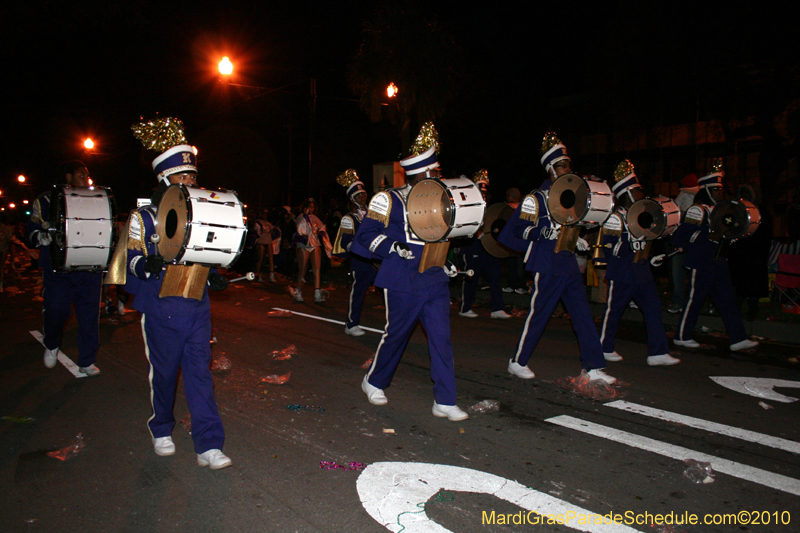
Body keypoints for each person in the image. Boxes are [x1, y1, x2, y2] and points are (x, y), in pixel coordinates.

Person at [125, 118, 232, 469]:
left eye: (191, 176)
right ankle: (161, 428)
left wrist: (215, 276)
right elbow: (133, 258)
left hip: (196, 303)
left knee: (200, 373)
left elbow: (207, 250)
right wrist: (147, 266)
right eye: (182, 177)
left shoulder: (201, 212)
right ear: (164, 179)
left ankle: (208, 444)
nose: (189, 182)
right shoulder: (145, 216)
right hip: (161, 304)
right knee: (166, 373)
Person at [351, 125, 468, 421]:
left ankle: (445, 399)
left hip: (433, 276)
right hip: (401, 277)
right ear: (424, 172)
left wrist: (446, 261)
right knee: (397, 335)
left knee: (441, 338)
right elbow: (364, 237)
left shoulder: (441, 200)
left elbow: (440, 237)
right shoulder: (387, 199)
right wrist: (392, 247)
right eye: (436, 170)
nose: (439, 175)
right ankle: (374, 381)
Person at [498, 132, 616, 383]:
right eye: (563, 165)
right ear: (551, 168)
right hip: (546, 263)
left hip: (567, 261)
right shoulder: (536, 198)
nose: (568, 169)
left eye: (568, 164)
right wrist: (542, 232)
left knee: (582, 315)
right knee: (539, 315)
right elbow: (516, 231)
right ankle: (518, 362)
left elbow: (570, 225)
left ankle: (593, 366)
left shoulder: (570, 195)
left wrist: (577, 239)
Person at [671, 158, 759, 352]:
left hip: (718, 262)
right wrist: (708, 236)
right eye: (716, 190)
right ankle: (682, 336)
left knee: (727, 300)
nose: (720, 193)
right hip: (700, 263)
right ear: (707, 191)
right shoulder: (697, 210)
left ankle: (738, 338)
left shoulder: (723, 211)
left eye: (720, 190)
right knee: (694, 300)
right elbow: (680, 237)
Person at [597, 160, 680, 366]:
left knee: (653, 308)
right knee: (614, 311)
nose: (640, 195)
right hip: (623, 272)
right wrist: (630, 243)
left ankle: (658, 352)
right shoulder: (615, 217)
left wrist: (651, 257)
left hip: (642, 271)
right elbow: (609, 248)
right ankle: (603, 347)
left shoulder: (643, 215)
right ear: (627, 193)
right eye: (636, 191)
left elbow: (648, 241)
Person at [27, 161, 102, 375]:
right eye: (81, 175)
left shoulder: (96, 199)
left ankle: (87, 360)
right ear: (68, 177)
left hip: (89, 267)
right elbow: (31, 228)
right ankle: (51, 344)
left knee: (89, 316)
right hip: (58, 267)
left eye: (87, 175)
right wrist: (40, 237)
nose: (86, 179)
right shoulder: (46, 199)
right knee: (57, 310)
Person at [458, 170, 511, 319]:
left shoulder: (488, 205)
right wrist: (475, 233)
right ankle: (465, 307)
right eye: (480, 188)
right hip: (472, 246)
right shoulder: (467, 204)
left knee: (495, 277)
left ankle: (497, 309)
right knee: (471, 277)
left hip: (489, 247)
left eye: (484, 189)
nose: (483, 192)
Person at [332, 169, 379, 336]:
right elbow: (345, 242)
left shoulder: (374, 215)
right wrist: (361, 251)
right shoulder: (349, 218)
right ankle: (351, 324)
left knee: (389, 290)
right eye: (358, 196)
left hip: (378, 260)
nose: (362, 198)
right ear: (352, 199)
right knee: (359, 292)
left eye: (363, 195)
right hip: (361, 262)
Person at [667, 173, 699, 314]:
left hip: (685, 241)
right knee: (682, 273)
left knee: (679, 273)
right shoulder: (691, 198)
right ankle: (685, 302)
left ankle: (680, 301)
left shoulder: (683, 198)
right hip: (687, 242)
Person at [291, 198, 330, 303]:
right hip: (304, 245)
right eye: (309, 207)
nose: (311, 209)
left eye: (313, 207)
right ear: (305, 208)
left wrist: (320, 232)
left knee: (317, 269)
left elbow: (322, 227)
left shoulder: (314, 217)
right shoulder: (300, 217)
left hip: (314, 244)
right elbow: (300, 229)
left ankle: (317, 293)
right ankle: (298, 291)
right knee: (302, 269)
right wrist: (305, 216)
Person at [254, 209, 277, 283]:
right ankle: (258, 275)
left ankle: (271, 275)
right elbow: (257, 233)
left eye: (266, 214)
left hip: (268, 241)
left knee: (271, 258)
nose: (265, 215)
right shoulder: (258, 223)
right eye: (264, 214)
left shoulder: (268, 223)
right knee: (261, 259)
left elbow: (274, 230)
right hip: (261, 241)